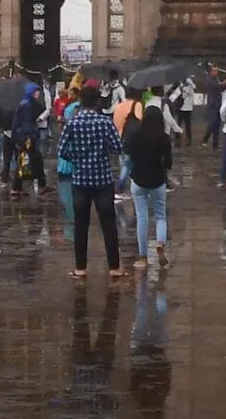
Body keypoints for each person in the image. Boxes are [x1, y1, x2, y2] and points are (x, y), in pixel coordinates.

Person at [56, 81, 123, 280]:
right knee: (108, 224)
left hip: (80, 181)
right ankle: (114, 267)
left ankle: (80, 267)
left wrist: (77, 159)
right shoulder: (104, 123)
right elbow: (117, 148)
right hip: (102, 180)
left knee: (80, 224)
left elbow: (61, 151)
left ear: (81, 101)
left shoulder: (73, 123)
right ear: (96, 103)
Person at [121, 95, 171, 265]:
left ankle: (142, 256)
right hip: (157, 180)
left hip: (138, 180)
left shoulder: (136, 135)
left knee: (141, 217)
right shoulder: (164, 138)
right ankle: (160, 242)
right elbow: (168, 162)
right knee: (160, 216)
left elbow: (130, 155)